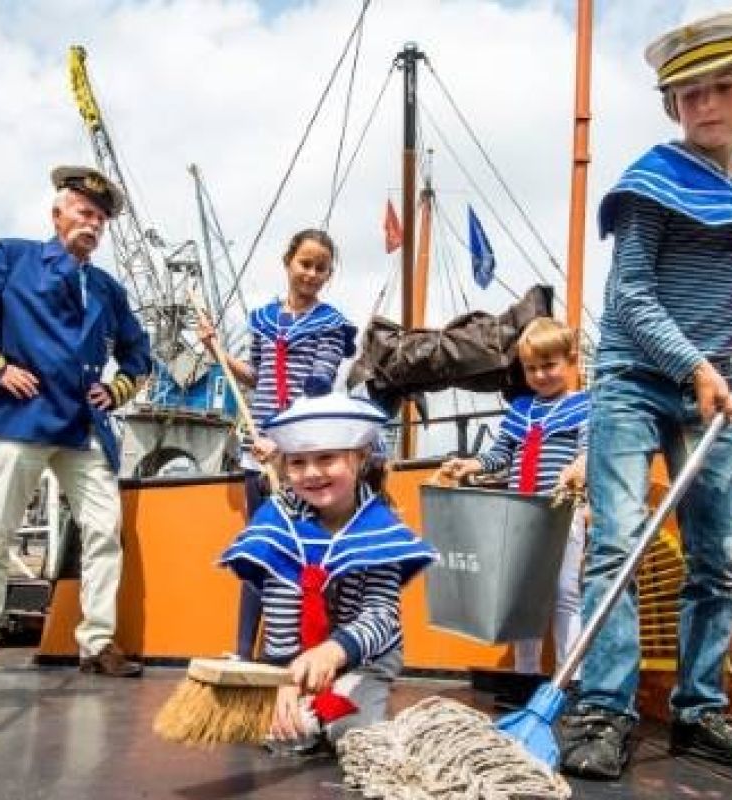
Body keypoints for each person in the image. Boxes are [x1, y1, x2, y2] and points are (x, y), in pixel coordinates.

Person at [557, 11, 732, 780]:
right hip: (634, 380)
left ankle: (699, 712)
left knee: (714, 554)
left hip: (707, 392)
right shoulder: (649, 181)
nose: (703, 105)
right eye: (686, 93)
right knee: (617, 544)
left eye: (720, 87)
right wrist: (695, 365)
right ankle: (603, 709)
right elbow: (628, 297)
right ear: (671, 106)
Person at [0, 166, 151, 682]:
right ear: (56, 214)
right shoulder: (13, 258)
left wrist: (117, 389)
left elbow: (138, 355)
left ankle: (97, 641)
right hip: (21, 417)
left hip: (82, 424)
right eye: (84, 212)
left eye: (101, 218)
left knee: (103, 531)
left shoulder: (106, 288)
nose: (93, 224)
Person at [218, 388, 437, 755]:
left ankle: (347, 705)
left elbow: (381, 616)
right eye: (298, 462)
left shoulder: (378, 526)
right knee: (287, 737)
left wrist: (333, 653)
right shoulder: (278, 521)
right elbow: (280, 610)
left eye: (327, 458)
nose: (312, 473)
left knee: (352, 733)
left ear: (360, 457)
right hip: (297, 658)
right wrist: (286, 679)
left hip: (363, 657)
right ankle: (307, 711)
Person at [195, 229, 356, 660]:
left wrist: (284, 446)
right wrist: (217, 354)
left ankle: (311, 649)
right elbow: (257, 375)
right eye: (305, 263)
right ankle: (243, 652)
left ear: (329, 274)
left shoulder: (332, 325)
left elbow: (317, 386)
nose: (312, 273)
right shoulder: (262, 319)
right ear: (288, 262)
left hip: (301, 452)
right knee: (260, 545)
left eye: (321, 267)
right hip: (257, 448)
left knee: (309, 548)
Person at [439, 317, 589, 678]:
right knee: (525, 598)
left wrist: (579, 467)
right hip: (520, 514)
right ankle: (526, 676)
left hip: (560, 510)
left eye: (549, 365)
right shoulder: (521, 410)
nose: (540, 375)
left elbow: (588, 450)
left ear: (572, 361)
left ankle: (573, 677)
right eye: (532, 368)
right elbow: (500, 455)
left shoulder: (584, 405)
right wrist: (471, 464)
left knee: (565, 591)